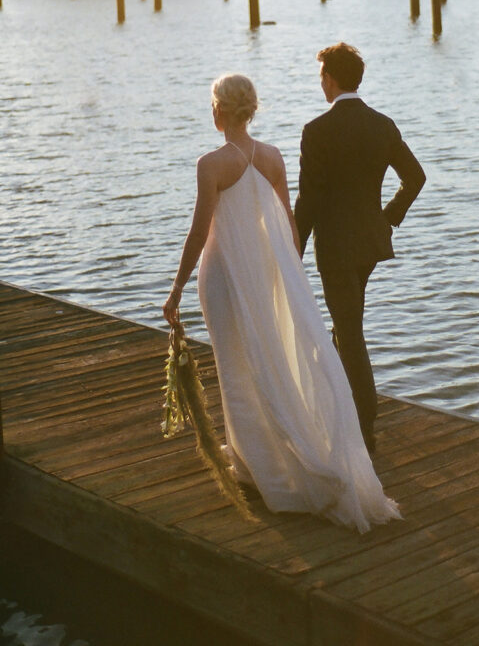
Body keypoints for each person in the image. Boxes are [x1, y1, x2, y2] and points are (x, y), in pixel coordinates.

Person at [163, 73, 400, 533]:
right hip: (268, 271)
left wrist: (175, 290)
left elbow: (199, 232)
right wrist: (291, 275)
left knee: (236, 367)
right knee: (269, 358)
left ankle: (258, 468)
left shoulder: (210, 164)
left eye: (213, 105)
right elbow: (288, 220)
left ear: (221, 111)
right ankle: (262, 455)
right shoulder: (271, 157)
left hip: (225, 274)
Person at [294, 43, 425, 454]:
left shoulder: (317, 131)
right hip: (370, 244)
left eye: (321, 77)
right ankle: (339, 406)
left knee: (350, 332)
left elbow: (309, 201)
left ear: (330, 79)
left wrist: (292, 252)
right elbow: (416, 178)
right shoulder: (382, 125)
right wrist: (386, 219)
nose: (321, 84)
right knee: (346, 323)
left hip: (334, 249)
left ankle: (365, 428)